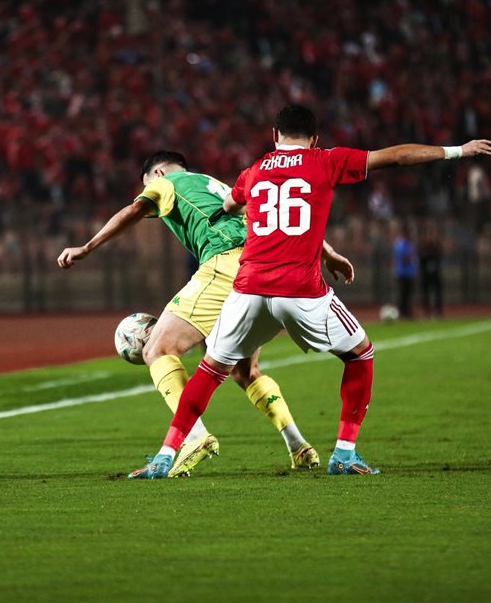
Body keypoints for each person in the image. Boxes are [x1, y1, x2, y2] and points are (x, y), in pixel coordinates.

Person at [129, 104, 491, 479]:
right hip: (299, 290)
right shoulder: (325, 161)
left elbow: (229, 204)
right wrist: (458, 151)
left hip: (248, 289)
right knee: (360, 354)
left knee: (210, 372)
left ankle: (164, 456)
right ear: (314, 138)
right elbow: (396, 157)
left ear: (275, 135)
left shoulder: (254, 171)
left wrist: (226, 209)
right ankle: (344, 453)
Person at [57, 150, 357, 475]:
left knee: (156, 350)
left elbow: (133, 210)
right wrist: (328, 252)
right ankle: (298, 446)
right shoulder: (221, 187)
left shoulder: (168, 182)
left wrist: (86, 247)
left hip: (225, 263)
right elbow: (279, 216)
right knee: (245, 371)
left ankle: (194, 437)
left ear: (157, 174)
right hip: (259, 270)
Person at [392, 221, 418, 319]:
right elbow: (403, 258)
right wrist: (411, 257)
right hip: (404, 273)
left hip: (408, 272)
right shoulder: (402, 244)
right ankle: (403, 312)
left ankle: (406, 311)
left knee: (407, 294)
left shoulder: (405, 243)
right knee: (404, 294)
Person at [418, 222, 443, 317]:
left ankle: (438, 310)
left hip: (435, 273)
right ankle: (427, 310)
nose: (430, 237)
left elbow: (439, 257)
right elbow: (420, 259)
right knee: (425, 293)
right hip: (425, 274)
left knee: (437, 292)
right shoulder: (423, 246)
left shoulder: (436, 246)